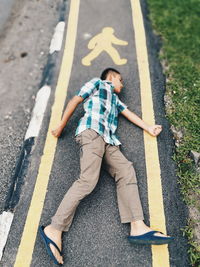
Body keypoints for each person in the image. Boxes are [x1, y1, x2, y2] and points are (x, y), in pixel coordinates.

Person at [39, 68, 174, 265]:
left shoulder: (116, 101)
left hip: (109, 141)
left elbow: (129, 114)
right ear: (111, 77)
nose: (122, 84)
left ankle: (137, 226)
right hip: (92, 132)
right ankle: (54, 228)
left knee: (126, 169)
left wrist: (149, 127)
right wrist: (61, 126)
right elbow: (76, 100)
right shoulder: (98, 83)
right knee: (88, 181)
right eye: (120, 80)